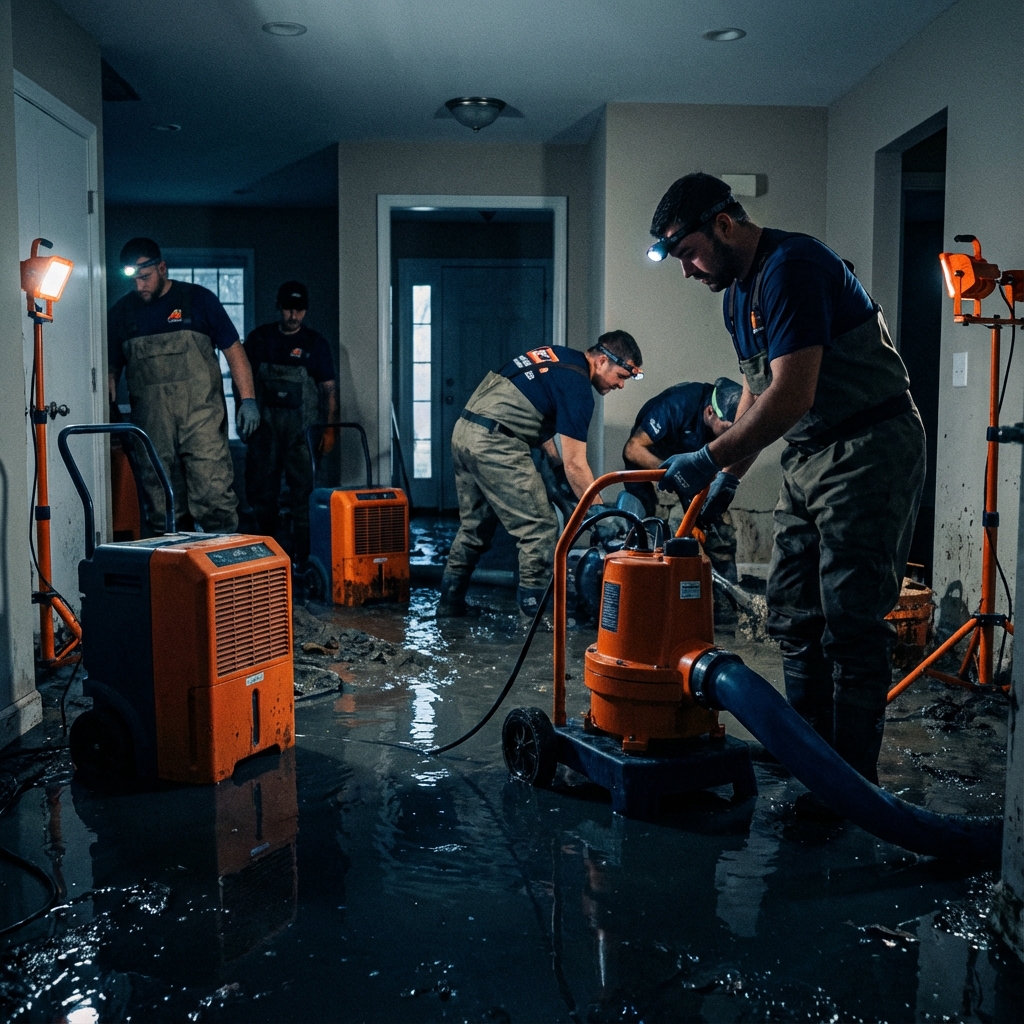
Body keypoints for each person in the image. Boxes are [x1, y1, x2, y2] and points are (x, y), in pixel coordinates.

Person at [647, 172, 925, 789]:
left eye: (687, 251)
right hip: (809, 454)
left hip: (868, 445)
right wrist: (722, 483)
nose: (687, 269)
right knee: (795, 614)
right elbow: (758, 390)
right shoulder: (736, 294)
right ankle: (810, 754)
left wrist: (708, 459)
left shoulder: (792, 266)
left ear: (724, 224)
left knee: (849, 619)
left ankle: (850, 783)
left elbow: (794, 395)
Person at [439, 332, 644, 620]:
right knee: (541, 528)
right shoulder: (579, 387)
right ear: (601, 361)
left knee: (475, 527)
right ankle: (535, 621)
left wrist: (555, 467)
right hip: (496, 442)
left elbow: (537, 414)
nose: (620, 385)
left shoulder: (558, 356)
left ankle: (449, 607)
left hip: (466, 432)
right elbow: (577, 465)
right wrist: (600, 513)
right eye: (621, 376)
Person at [108, 238, 260, 533]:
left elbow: (234, 351)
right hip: (152, 430)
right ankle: (175, 574)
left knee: (213, 497)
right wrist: (110, 400)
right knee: (164, 508)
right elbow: (111, 367)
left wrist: (249, 399)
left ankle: (223, 573)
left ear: (162, 268)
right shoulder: (122, 314)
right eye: (134, 280)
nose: (140, 287)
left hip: (201, 422)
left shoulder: (198, 301)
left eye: (145, 277)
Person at [622, 377, 743, 609]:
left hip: (693, 471)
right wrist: (674, 475)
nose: (729, 436)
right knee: (653, 534)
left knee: (720, 532)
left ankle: (727, 603)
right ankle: (652, 603)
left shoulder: (724, 424)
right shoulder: (676, 404)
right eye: (728, 429)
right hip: (653, 467)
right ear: (710, 412)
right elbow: (633, 449)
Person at [243, 281, 338, 562]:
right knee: (262, 494)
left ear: (305, 311)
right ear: (279, 308)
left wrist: (330, 429)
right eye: (288, 309)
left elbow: (329, 390)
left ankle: (304, 558)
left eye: (299, 310)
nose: (293, 316)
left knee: (303, 497)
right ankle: (266, 558)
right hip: (265, 433)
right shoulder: (260, 340)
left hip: (302, 436)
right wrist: (243, 410)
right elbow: (243, 380)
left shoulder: (315, 344)